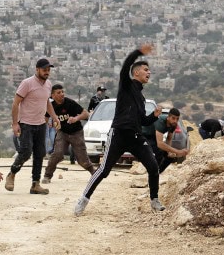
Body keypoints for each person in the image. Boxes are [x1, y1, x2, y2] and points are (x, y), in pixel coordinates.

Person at [74, 44, 164, 216]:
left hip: (136, 137)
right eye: (146, 69)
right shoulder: (126, 85)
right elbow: (125, 66)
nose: (149, 73)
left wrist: (154, 115)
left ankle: (154, 200)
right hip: (119, 135)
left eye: (149, 70)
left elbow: (143, 121)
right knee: (103, 170)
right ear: (136, 72)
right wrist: (139, 52)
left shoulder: (141, 96)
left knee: (153, 167)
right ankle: (83, 199)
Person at [5, 58, 60, 195]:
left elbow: (47, 102)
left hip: (41, 124)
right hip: (26, 124)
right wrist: (15, 123)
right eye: (44, 70)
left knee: (39, 154)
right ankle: (12, 174)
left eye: (48, 70)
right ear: (37, 69)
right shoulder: (27, 83)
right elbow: (16, 103)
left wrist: (54, 117)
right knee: (25, 152)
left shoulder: (48, 85)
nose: (47, 72)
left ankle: (35, 184)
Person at [42, 84, 95, 183]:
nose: (62, 94)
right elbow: (45, 119)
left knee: (82, 159)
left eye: (62, 92)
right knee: (57, 154)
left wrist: (76, 118)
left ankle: (94, 173)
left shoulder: (70, 103)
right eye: (59, 92)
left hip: (76, 132)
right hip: (62, 133)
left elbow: (86, 113)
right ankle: (47, 176)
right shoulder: (51, 106)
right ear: (52, 96)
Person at [146, 108, 189, 173]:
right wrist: (178, 151)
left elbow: (169, 138)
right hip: (145, 135)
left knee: (170, 156)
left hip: (154, 136)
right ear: (168, 117)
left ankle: (158, 172)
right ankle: (153, 172)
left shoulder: (174, 124)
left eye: (177, 119)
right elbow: (160, 144)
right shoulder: (160, 121)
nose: (175, 121)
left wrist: (169, 152)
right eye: (173, 118)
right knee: (159, 152)